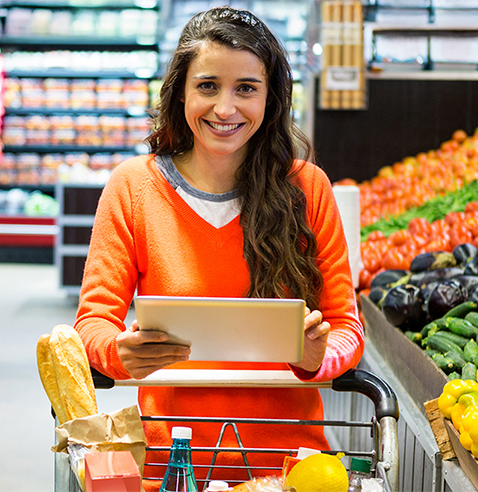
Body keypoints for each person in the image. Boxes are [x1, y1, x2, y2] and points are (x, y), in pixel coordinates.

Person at [73, 6, 364, 488]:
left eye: (245, 89)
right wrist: (119, 352)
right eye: (207, 86)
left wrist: (317, 356)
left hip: (291, 467)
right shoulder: (132, 188)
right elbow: (93, 323)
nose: (225, 109)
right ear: (180, 93)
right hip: (172, 465)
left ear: (270, 99)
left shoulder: (308, 189)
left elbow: (346, 327)